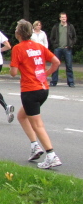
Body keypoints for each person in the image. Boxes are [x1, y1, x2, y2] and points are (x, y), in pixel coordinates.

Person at [10, 19, 62, 169]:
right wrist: (46, 74)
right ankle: (35, 146)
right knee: (22, 116)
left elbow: (13, 73)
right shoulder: (39, 46)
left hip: (30, 90)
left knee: (37, 124)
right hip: (43, 89)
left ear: (18, 33)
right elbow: (56, 62)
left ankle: (51, 155)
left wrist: (14, 66)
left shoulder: (18, 48)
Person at [49, 12, 77, 87]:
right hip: (58, 49)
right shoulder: (56, 27)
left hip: (67, 49)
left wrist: (70, 45)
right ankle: (54, 81)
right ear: (60, 18)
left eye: (65, 17)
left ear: (66, 18)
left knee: (69, 66)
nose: (64, 18)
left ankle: (71, 82)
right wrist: (55, 45)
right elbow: (52, 38)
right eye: (62, 17)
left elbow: (74, 37)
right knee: (55, 65)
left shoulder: (70, 26)